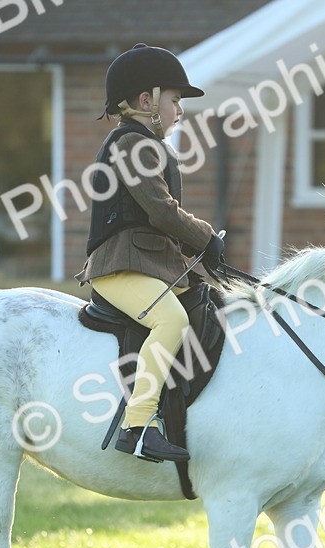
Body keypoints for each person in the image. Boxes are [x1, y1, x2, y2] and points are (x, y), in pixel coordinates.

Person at [75, 43, 226, 463]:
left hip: (147, 263)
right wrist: (207, 237)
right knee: (171, 318)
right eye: (176, 101)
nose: (180, 111)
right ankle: (139, 427)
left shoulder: (146, 143)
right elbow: (161, 212)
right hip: (120, 266)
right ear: (147, 101)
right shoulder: (132, 143)